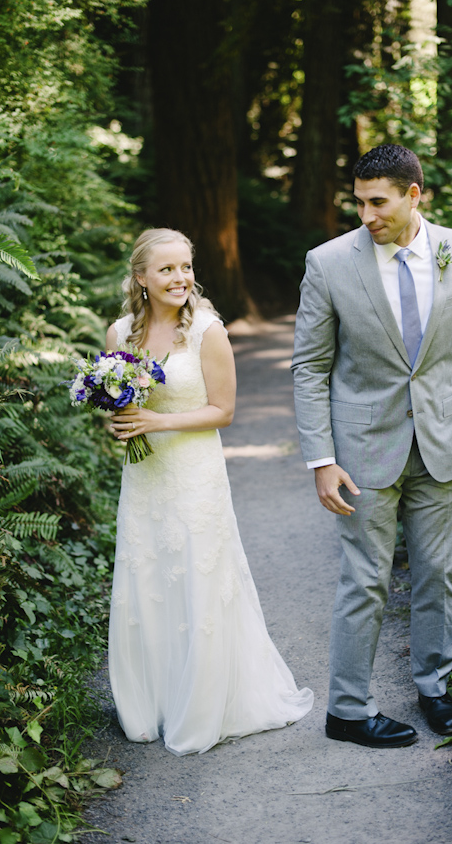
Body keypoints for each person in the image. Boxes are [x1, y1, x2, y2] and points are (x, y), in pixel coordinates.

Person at [291, 144, 452, 749]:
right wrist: (321, 459)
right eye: (360, 202)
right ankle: (347, 709)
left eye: (378, 202)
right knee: (364, 578)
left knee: (438, 573)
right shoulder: (328, 263)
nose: (366, 214)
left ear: (413, 195)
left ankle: (435, 687)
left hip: (442, 441)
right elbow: (309, 368)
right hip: (361, 450)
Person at [106, 227, 313, 756]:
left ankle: (204, 702)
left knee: (197, 575)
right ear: (141, 278)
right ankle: (152, 701)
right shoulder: (119, 333)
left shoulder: (207, 331)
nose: (181, 278)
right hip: (145, 476)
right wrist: (122, 422)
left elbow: (223, 411)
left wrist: (154, 421)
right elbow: (120, 405)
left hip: (195, 473)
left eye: (186, 267)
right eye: (167, 269)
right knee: (147, 574)